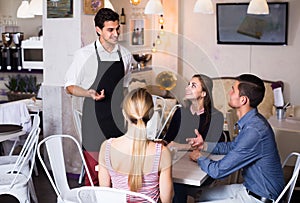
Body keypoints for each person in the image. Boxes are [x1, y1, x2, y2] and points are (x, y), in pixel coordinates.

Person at [189, 74, 285, 203]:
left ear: (243, 100)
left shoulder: (254, 130)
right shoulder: (252, 122)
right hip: (249, 188)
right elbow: (233, 146)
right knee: (197, 195)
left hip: (260, 197)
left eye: (233, 89)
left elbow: (218, 171)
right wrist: (204, 146)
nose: (229, 92)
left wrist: (199, 157)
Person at [64, 8, 132, 185]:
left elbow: (126, 86)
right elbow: (69, 87)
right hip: (93, 122)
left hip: (118, 121)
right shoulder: (83, 55)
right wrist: (87, 93)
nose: (115, 34)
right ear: (98, 30)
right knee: (94, 176)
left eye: (117, 29)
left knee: (120, 174)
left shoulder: (125, 55)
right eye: (110, 30)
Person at [98, 88, 173, 203]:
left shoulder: (106, 148)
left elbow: (105, 196)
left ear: (124, 113)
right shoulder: (162, 152)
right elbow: (167, 200)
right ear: (151, 114)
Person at [165, 74, 224, 203]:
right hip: (179, 167)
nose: (187, 88)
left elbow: (213, 147)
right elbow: (168, 139)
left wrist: (181, 146)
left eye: (193, 85)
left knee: (178, 187)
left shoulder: (216, 117)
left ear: (204, 93)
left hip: (202, 169)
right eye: (188, 84)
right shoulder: (180, 112)